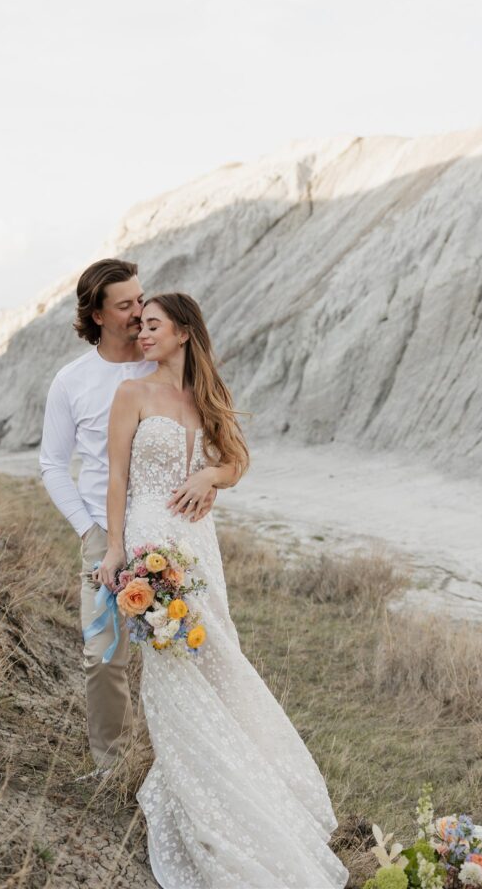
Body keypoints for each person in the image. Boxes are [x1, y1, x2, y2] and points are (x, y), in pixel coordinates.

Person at [101, 292, 349, 889]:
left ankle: (253, 781)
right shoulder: (131, 394)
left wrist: (211, 474)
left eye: (153, 326)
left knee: (219, 658)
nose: (143, 336)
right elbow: (115, 474)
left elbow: (236, 460)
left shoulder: (208, 396)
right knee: (171, 665)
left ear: (185, 332)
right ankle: (198, 786)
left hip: (199, 544)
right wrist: (115, 549)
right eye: (140, 328)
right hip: (149, 542)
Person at [38, 259, 216, 776]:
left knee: (185, 649)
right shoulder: (71, 382)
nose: (141, 312)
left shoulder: (160, 363)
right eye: (126, 305)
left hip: (172, 531)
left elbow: (209, 441)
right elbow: (52, 464)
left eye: (141, 300)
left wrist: (207, 479)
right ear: (96, 314)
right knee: (103, 655)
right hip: (106, 534)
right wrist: (91, 530)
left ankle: (184, 765)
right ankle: (110, 766)